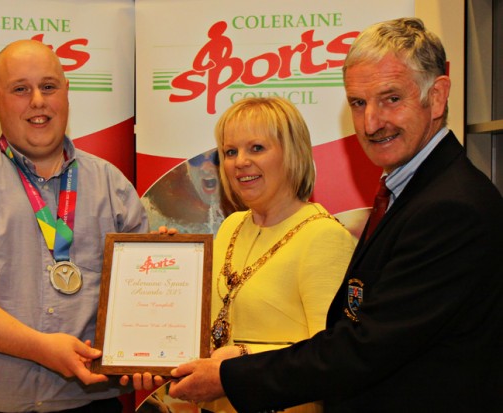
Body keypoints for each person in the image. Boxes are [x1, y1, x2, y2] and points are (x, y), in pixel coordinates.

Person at [167, 17, 503, 413]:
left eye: (391, 98)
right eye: (359, 103)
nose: (371, 122)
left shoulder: (451, 207)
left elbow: (361, 349)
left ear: (439, 96)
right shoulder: (411, 191)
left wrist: (229, 375)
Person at [0, 39, 150, 412]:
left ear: (66, 93)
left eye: (48, 86)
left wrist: (165, 270)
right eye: (20, 89)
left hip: (89, 403)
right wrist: (37, 346)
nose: (38, 100)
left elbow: (141, 296)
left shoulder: (112, 184)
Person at [200, 96, 355, 413]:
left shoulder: (324, 237)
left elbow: (334, 359)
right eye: (231, 151)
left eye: (256, 148)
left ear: (292, 153)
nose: (240, 161)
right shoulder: (231, 227)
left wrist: (240, 358)